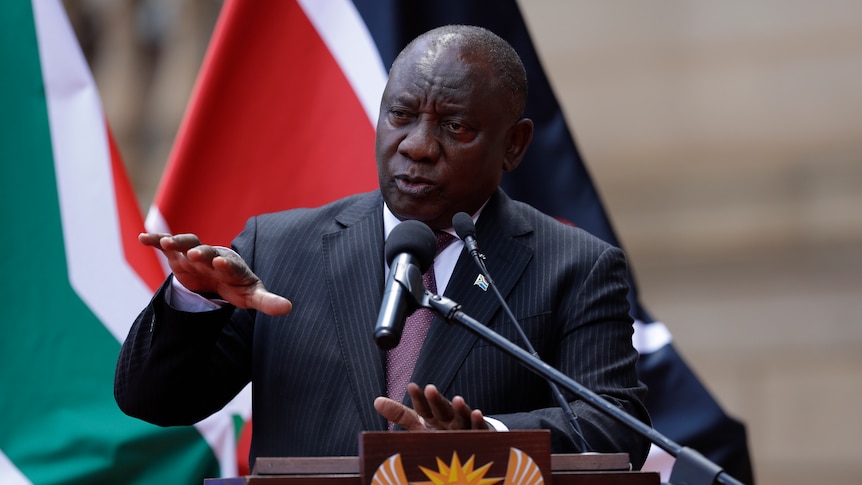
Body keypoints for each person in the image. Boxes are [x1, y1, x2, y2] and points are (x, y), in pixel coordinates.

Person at [114, 24, 651, 469]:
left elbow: (615, 428)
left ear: (514, 145)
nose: (417, 146)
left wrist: (488, 435)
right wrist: (193, 300)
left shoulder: (576, 265)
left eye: (455, 126)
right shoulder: (276, 249)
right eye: (401, 114)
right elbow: (154, 400)